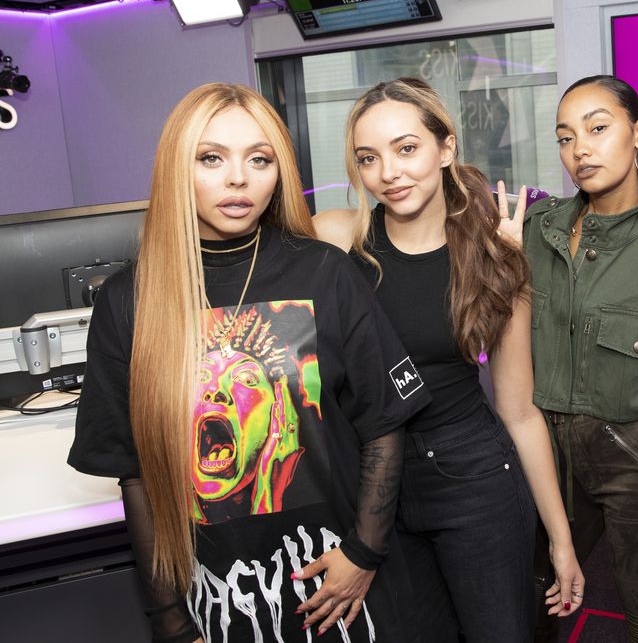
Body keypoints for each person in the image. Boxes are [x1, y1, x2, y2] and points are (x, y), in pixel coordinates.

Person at [68, 83, 432, 643]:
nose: (238, 179)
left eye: (259, 160)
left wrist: (363, 552)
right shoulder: (127, 301)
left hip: (338, 586)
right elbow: (135, 473)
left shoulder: (325, 272)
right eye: (211, 158)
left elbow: (383, 424)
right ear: (177, 168)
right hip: (216, 597)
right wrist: (169, 620)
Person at [313, 77, 584, 643]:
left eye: (407, 148)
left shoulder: (494, 257)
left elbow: (520, 412)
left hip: (472, 477)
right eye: (369, 158)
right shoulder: (338, 241)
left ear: (446, 148)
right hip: (374, 485)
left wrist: (560, 540)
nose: (389, 172)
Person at [519, 75, 638, 643]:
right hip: (545, 457)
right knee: (530, 597)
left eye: (598, 129)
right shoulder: (531, 231)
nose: (579, 149)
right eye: (565, 138)